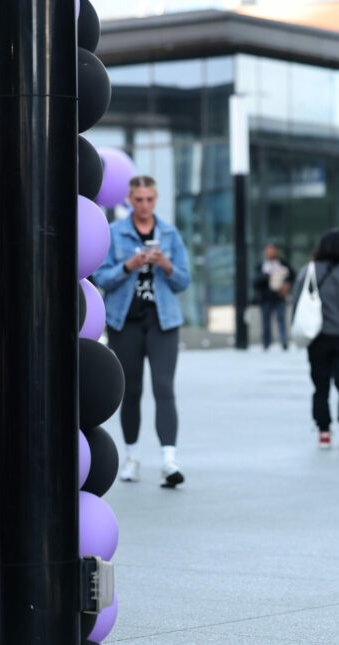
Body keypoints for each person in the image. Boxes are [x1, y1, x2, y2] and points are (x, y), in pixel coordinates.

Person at [92, 175, 191, 488]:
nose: (144, 205)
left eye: (150, 199)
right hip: (126, 322)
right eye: (139, 200)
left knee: (164, 387)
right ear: (130, 201)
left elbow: (183, 280)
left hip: (163, 322)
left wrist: (166, 264)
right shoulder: (114, 233)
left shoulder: (169, 234)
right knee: (131, 390)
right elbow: (102, 279)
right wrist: (130, 265)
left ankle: (169, 460)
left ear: (156, 200)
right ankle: (132, 457)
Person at [289, 229, 339, 451]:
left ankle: (324, 433)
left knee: (320, 387)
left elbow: (297, 303)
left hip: (319, 339)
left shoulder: (309, 271)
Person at [253, 242, 293, 350]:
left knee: (281, 319)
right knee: (266, 322)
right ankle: (266, 344)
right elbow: (255, 282)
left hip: (279, 297)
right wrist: (267, 276)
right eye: (269, 250)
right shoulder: (261, 265)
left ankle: (284, 342)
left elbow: (292, 276)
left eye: (273, 250)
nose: (271, 252)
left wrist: (286, 285)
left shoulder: (283, 264)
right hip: (266, 298)